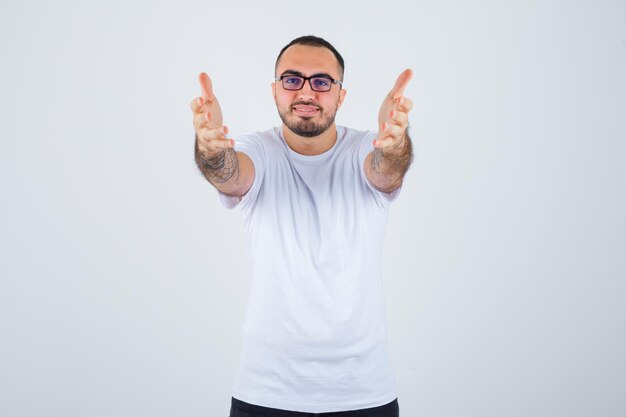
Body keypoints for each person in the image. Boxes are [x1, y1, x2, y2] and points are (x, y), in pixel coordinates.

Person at [191, 35, 413, 417]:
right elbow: (232, 177)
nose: (306, 92)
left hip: (363, 392)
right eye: (292, 80)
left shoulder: (366, 148)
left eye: (322, 81)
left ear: (340, 96)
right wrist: (211, 150)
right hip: (266, 391)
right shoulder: (258, 149)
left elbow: (385, 172)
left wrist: (393, 145)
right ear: (275, 90)